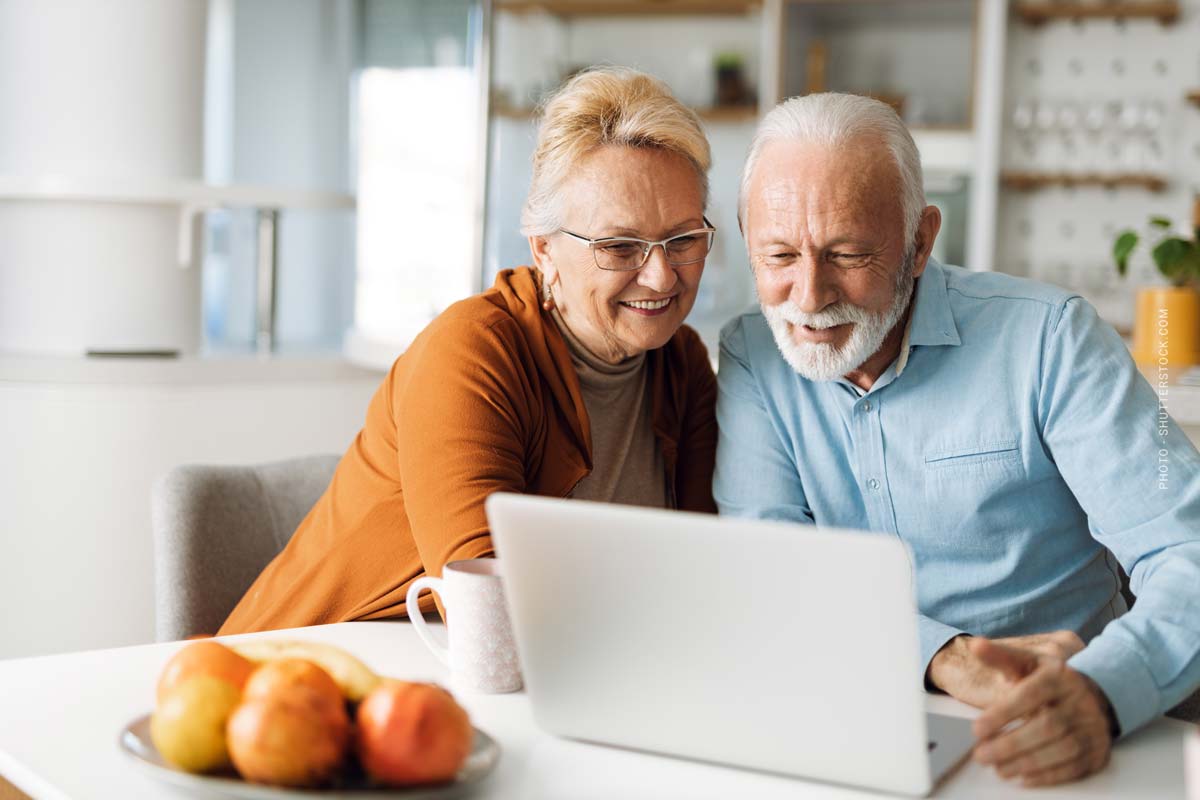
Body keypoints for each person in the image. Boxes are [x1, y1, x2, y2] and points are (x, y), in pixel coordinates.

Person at [714, 92, 1200, 787]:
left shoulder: (1051, 337)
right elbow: (770, 572)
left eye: (848, 252)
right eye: (779, 253)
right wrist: (944, 657)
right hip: (858, 734)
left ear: (920, 242)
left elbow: (1188, 548)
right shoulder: (751, 355)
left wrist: (1101, 692)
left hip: (1070, 735)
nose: (810, 294)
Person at [220, 67, 718, 634]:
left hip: (527, 682)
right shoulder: (473, 351)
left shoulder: (684, 364)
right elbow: (489, 617)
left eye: (682, 240)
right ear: (544, 250)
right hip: (311, 677)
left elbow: (705, 573)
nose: (660, 277)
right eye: (620, 246)